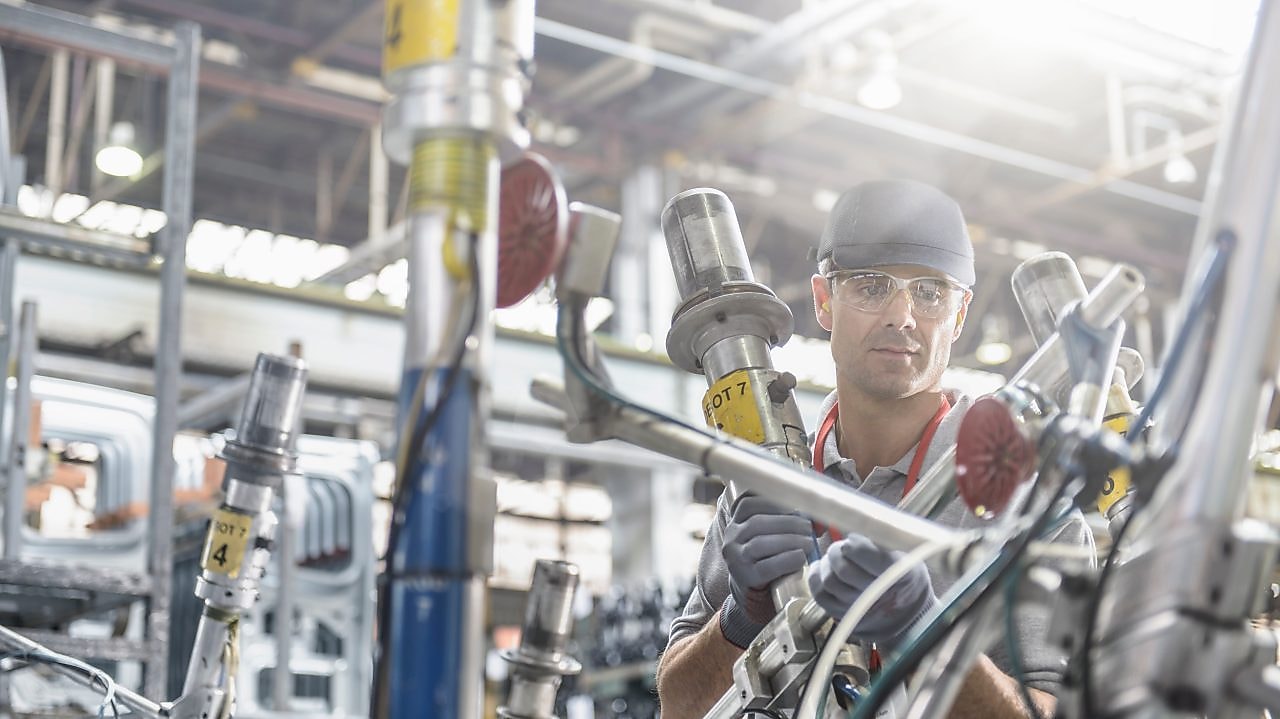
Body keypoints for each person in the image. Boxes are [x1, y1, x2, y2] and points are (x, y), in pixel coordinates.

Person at [655, 179, 1094, 718]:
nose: (902, 316)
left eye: (931, 292)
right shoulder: (764, 483)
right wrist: (740, 618)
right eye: (870, 286)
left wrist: (923, 631)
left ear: (959, 316)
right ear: (822, 300)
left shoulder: (1027, 495)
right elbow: (678, 706)